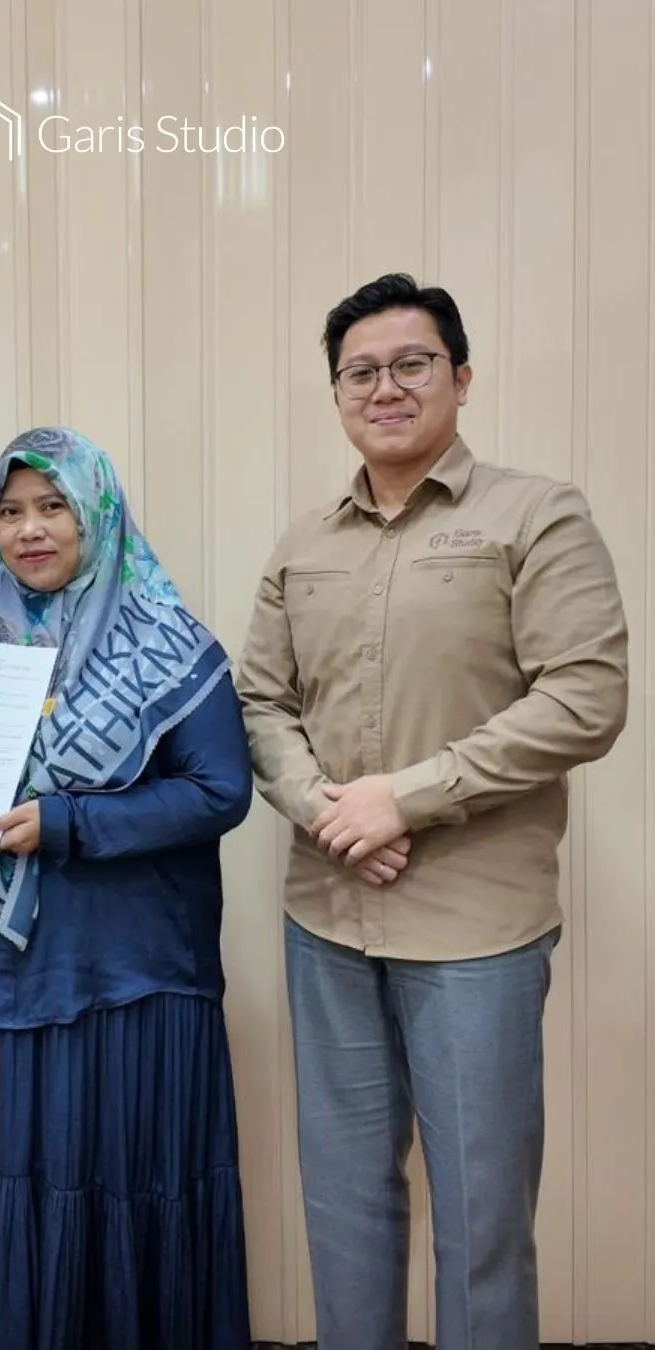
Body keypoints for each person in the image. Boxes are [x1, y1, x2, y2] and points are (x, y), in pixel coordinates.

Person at [235, 274, 629, 1350]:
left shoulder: (537, 515)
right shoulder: (303, 543)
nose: (385, 387)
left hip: (476, 931)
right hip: (326, 920)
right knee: (344, 1203)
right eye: (359, 372)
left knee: (481, 1217)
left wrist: (404, 799)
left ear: (460, 377)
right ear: (336, 394)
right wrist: (324, 809)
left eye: (411, 364)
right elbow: (261, 701)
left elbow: (586, 697)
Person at [0, 427, 254, 1350]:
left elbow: (220, 791)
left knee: (117, 1187)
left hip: (128, 979)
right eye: (9, 512)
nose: (29, 530)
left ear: (98, 515)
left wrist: (71, 822)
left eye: (53, 507)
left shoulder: (171, 645)